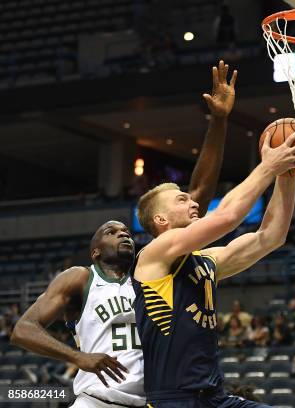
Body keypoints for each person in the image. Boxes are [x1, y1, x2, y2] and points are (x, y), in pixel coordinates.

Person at [10, 60, 238, 408]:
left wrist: (219, 121)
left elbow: (198, 196)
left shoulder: (153, 269)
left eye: (125, 229)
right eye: (110, 231)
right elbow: (23, 330)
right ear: (95, 251)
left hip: (153, 401)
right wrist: (80, 358)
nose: (122, 233)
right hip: (96, 401)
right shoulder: (79, 279)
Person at [131, 129, 295, 407]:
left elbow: (271, 237)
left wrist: (286, 175)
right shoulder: (153, 255)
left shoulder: (206, 261)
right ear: (160, 218)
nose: (193, 203)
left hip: (215, 397)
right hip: (173, 400)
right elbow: (228, 216)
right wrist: (268, 165)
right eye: (182, 199)